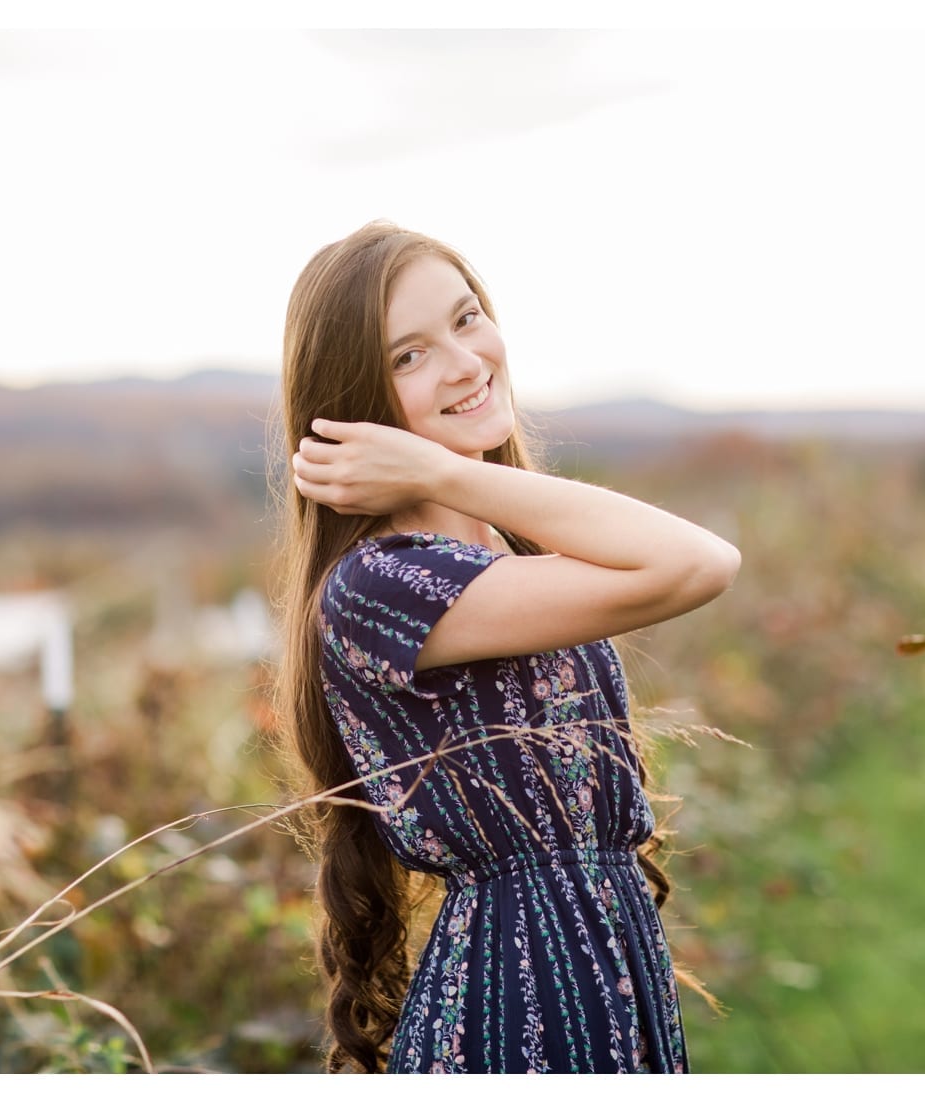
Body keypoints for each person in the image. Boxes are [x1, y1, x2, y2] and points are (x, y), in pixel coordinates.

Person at [274, 221, 740, 1074]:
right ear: (355, 408)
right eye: (407, 355)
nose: (463, 361)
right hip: (521, 1000)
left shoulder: (503, 557)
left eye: (467, 317)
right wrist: (442, 474)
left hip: (603, 970)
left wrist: (455, 481)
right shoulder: (380, 586)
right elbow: (698, 563)